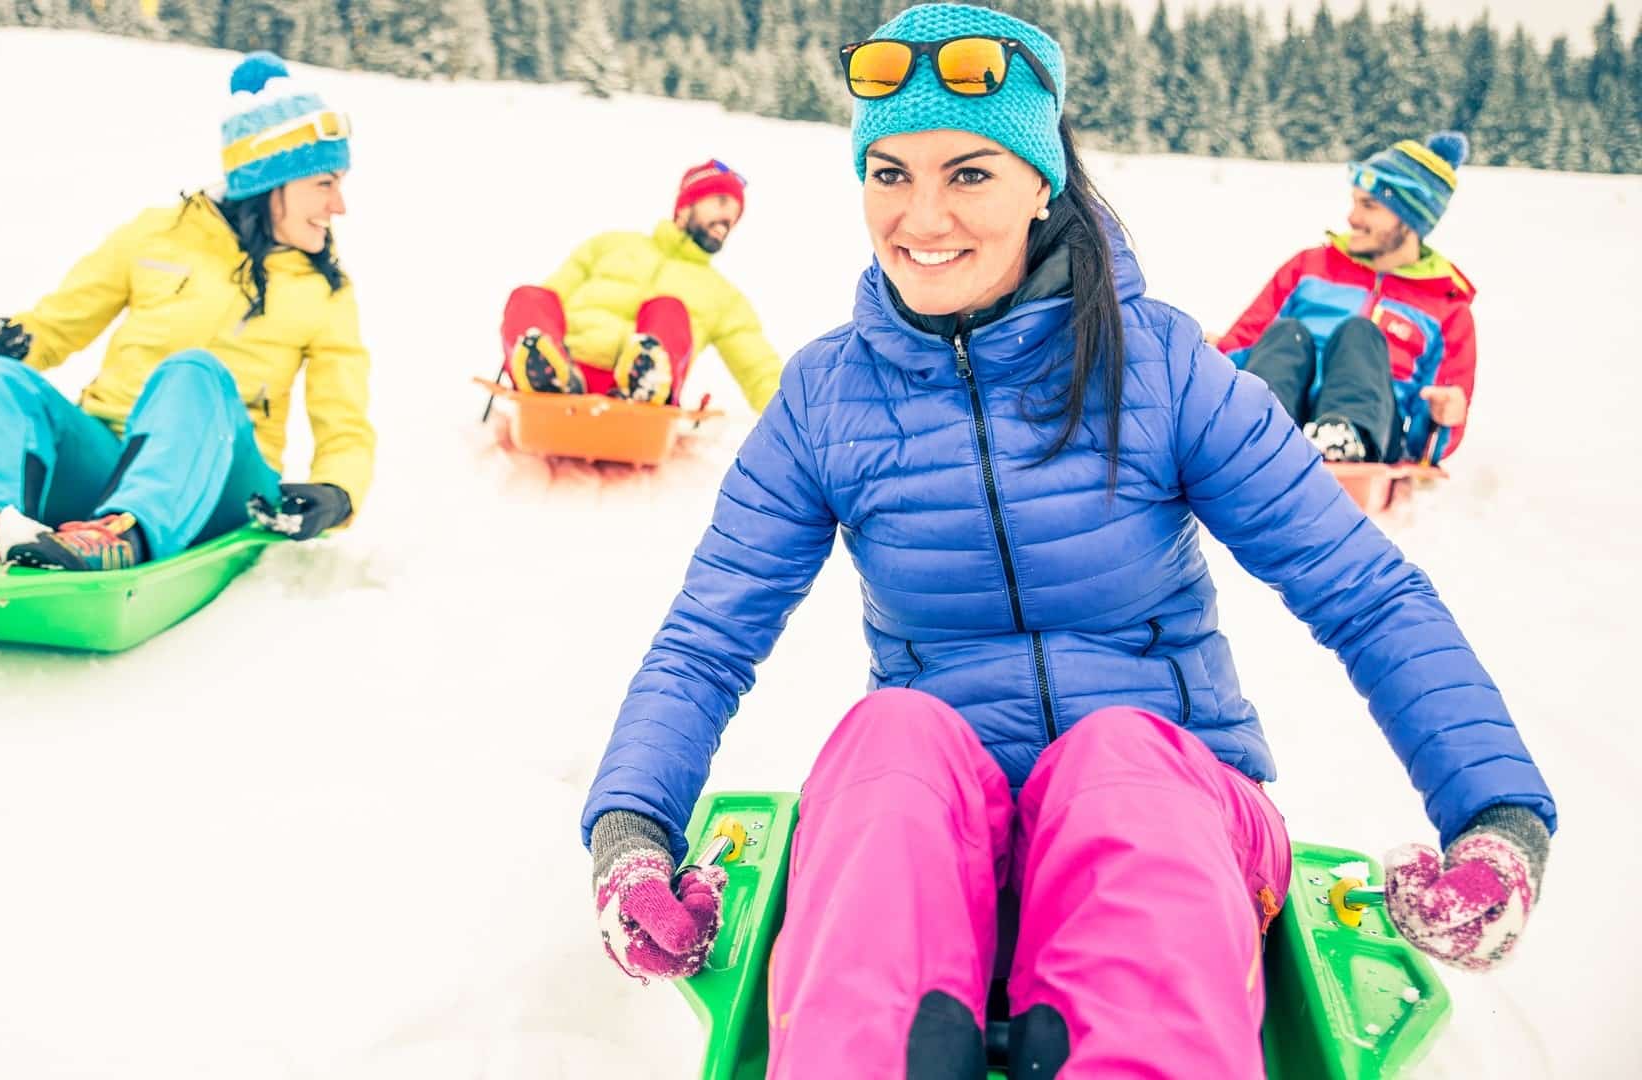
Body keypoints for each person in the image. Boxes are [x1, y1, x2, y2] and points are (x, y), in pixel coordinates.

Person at [579, 6, 1554, 1077]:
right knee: (888, 739)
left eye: (970, 173)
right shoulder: (826, 399)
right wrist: (632, 831)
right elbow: (706, 640)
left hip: (1175, 816)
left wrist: (1497, 814)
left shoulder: (1162, 369)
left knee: (1119, 757)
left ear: (1044, 184)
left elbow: (1365, 595)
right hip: (938, 829)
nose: (921, 215)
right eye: (890, 172)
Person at [0, 51, 374, 571]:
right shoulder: (156, 234)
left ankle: (127, 533)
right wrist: (2, 344)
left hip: (222, 477)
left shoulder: (325, 291)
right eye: (325, 184)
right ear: (267, 181)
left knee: (193, 370)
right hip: (109, 460)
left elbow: (344, 421)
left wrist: (337, 491)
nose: (339, 206)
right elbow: (59, 322)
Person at [1213, 132, 1478, 464]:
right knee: (1286, 333)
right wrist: (1211, 359)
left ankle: (1341, 437)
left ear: (1410, 220)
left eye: (1369, 205)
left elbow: (1431, 438)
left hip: (1372, 431)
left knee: (1360, 334)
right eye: (1354, 202)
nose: (1352, 218)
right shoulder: (1308, 267)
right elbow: (1245, 342)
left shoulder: (1446, 309)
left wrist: (1444, 416)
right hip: (1281, 415)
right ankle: (1255, 433)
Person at [496, 160, 782, 414]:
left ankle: (645, 384)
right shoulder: (609, 245)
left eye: (735, 214)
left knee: (669, 308)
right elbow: (549, 302)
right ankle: (549, 377)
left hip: (643, 398)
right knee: (528, 296)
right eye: (721, 203)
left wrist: (805, 422)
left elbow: (758, 368)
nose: (728, 219)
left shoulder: (723, 296)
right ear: (685, 205)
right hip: (569, 366)